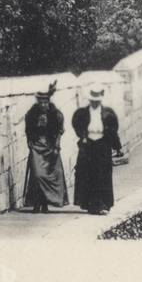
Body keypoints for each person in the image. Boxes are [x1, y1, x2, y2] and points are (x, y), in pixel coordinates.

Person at [72, 87, 123, 215]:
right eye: (93, 101)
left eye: (97, 101)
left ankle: (103, 204)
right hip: (88, 146)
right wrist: (83, 136)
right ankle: (91, 204)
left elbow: (113, 130)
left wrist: (117, 147)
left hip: (102, 146)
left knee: (103, 175)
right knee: (88, 175)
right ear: (90, 100)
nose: (95, 103)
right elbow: (77, 125)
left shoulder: (108, 114)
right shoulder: (82, 113)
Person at [23, 82, 69, 213]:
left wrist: (57, 146)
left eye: (45, 102)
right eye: (41, 102)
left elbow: (60, 131)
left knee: (50, 175)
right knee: (37, 175)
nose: (43, 105)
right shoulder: (31, 114)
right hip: (37, 148)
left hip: (50, 147)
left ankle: (45, 204)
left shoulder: (56, 114)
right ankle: (36, 203)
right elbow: (28, 130)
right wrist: (29, 142)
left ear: (48, 102)